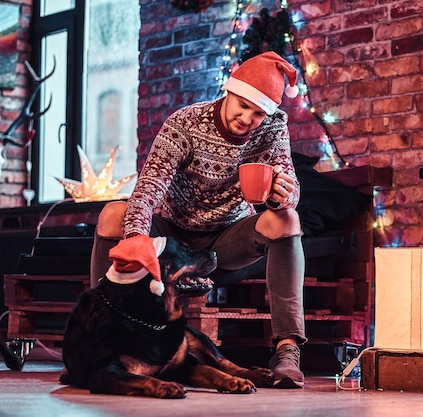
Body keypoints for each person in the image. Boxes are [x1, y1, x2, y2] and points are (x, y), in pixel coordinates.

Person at [90, 51, 306, 388]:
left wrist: (282, 195)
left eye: (258, 113)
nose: (247, 118)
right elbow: (149, 189)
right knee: (112, 215)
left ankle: (287, 350)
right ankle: (100, 342)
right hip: (173, 237)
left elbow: (290, 188)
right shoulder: (186, 123)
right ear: (229, 91)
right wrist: (135, 237)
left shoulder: (273, 127)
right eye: (243, 105)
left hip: (227, 242)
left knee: (287, 220)